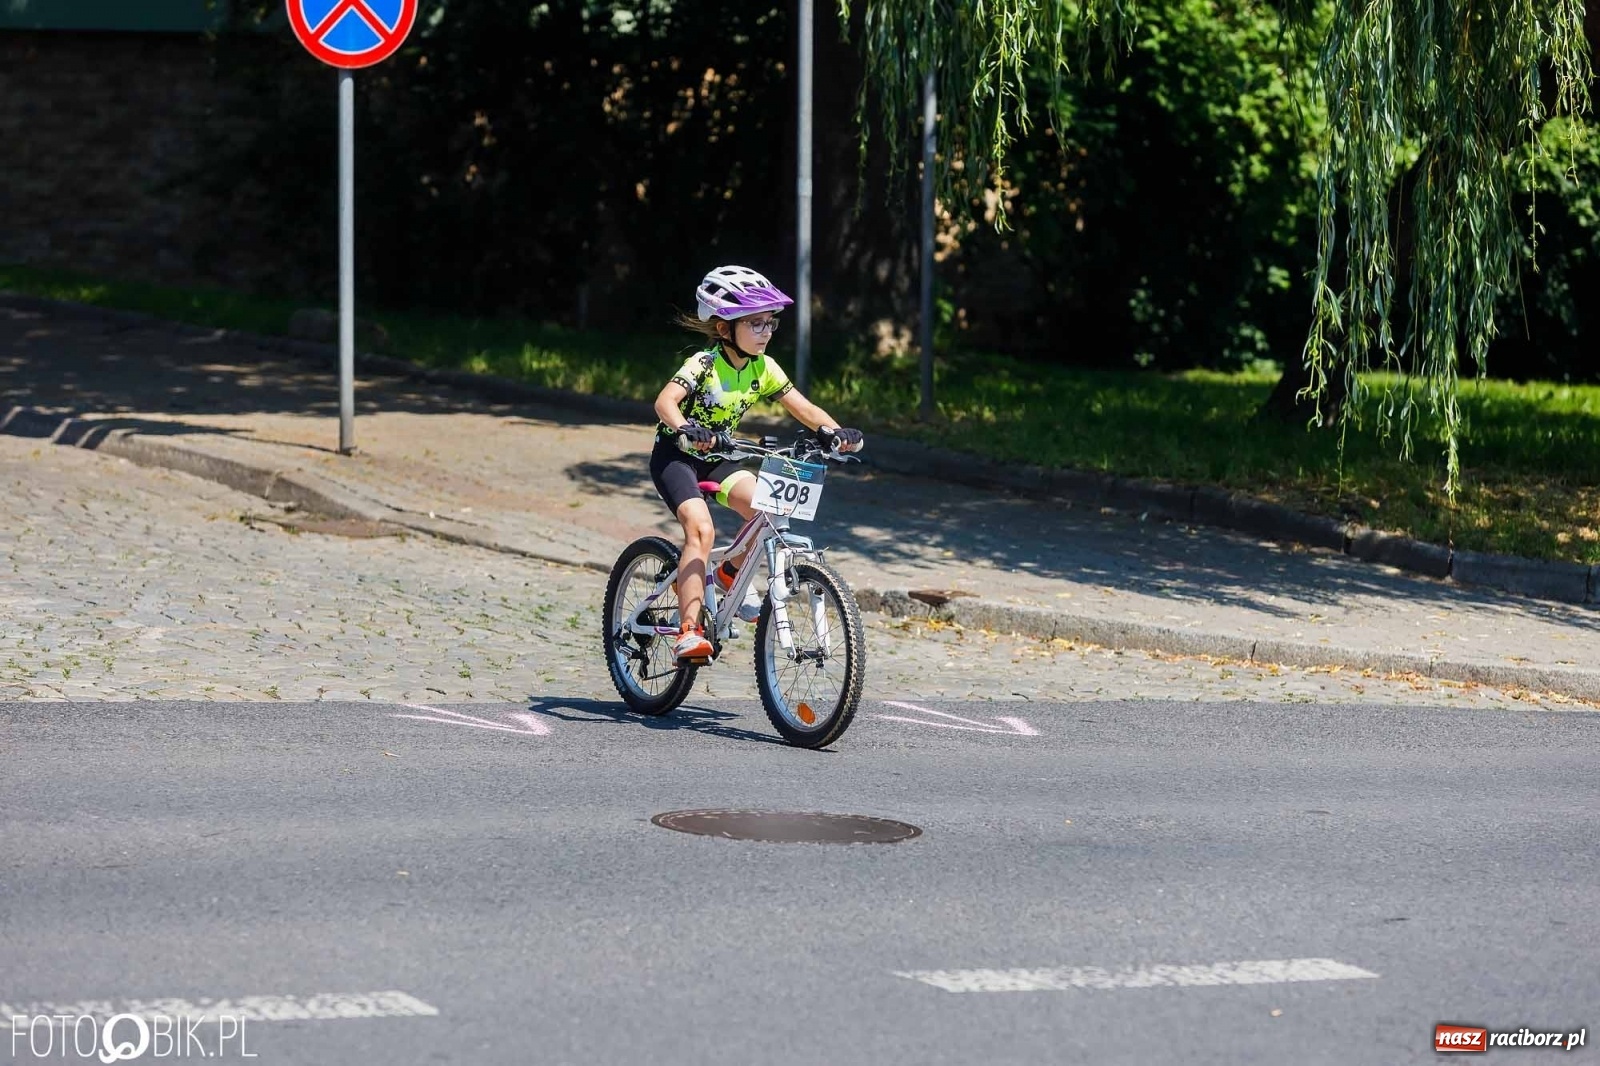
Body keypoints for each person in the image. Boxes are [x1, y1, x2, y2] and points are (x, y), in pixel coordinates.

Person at [651, 265, 865, 664]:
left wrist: (836, 432)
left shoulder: (763, 367)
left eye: (770, 323)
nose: (766, 331)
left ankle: (728, 574)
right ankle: (689, 631)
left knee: (767, 508)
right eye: (756, 323)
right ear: (724, 328)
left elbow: (803, 408)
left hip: (720, 458)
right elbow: (665, 403)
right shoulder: (703, 364)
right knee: (701, 530)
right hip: (677, 456)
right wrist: (685, 428)